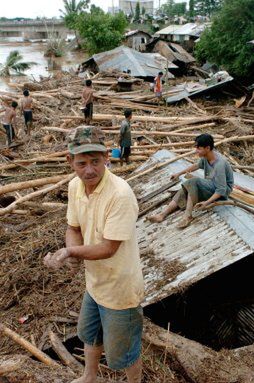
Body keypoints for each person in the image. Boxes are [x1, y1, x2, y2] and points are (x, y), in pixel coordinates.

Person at [44, 126, 144, 383]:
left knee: (124, 354)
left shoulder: (120, 194)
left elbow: (109, 247)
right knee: (90, 335)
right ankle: (88, 376)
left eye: (96, 162)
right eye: (82, 163)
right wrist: (74, 256)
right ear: (70, 161)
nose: (89, 170)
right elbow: (73, 227)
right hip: (96, 283)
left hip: (120, 290)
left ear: (107, 157)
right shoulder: (75, 186)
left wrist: (69, 251)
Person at [148, 134, 234, 228]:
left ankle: (188, 216)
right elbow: (196, 166)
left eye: (199, 148)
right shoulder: (206, 157)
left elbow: (221, 190)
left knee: (193, 181)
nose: (196, 151)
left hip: (222, 193)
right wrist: (179, 173)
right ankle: (162, 215)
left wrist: (206, 203)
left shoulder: (219, 164)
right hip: (210, 186)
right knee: (185, 188)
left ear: (208, 148)